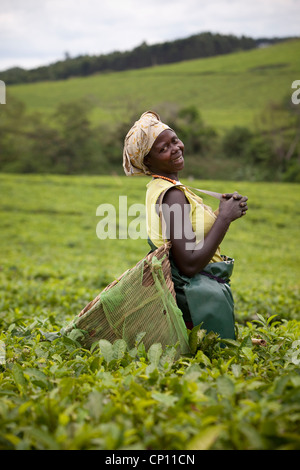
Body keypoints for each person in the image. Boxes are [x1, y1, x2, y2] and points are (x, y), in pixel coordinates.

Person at [123, 110, 248, 340]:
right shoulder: (172, 195)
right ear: (148, 161)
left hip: (193, 296)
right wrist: (224, 219)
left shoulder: (161, 187)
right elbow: (189, 263)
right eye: (163, 148)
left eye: (174, 140)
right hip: (194, 300)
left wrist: (222, 211)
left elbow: (186, 232)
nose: (176, 148)